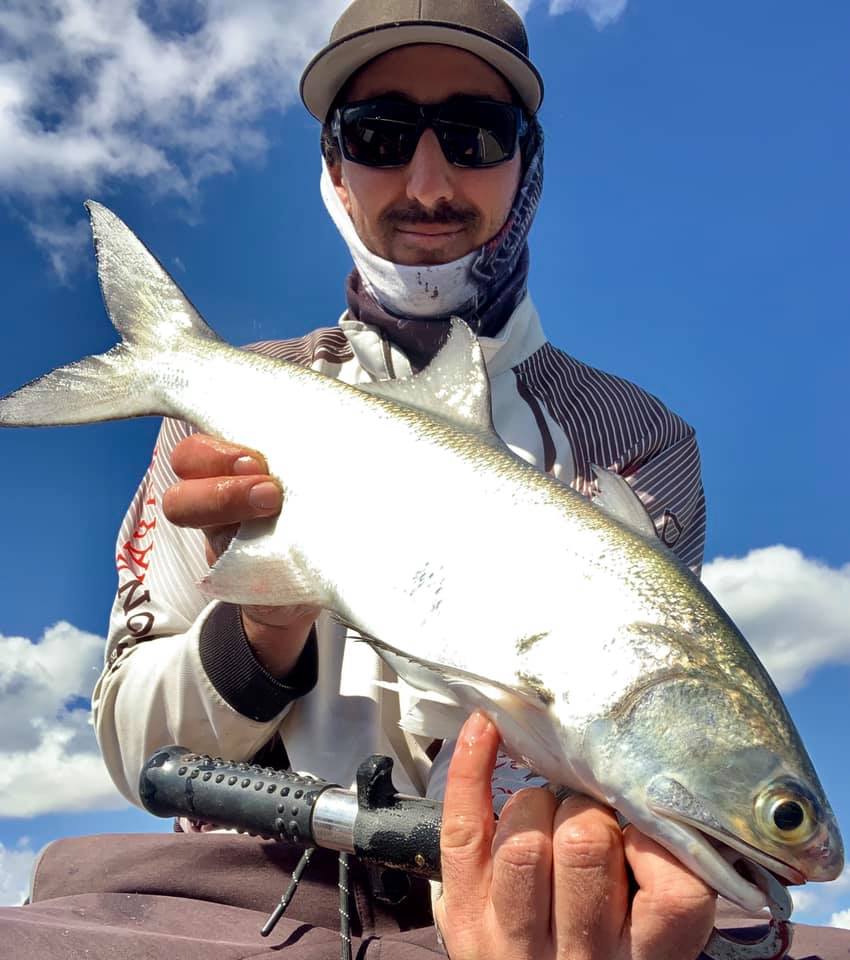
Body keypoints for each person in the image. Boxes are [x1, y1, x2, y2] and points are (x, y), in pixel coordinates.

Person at [2, 2, 846, 958]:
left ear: (528, 162)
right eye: (380, 134)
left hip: (531, 899)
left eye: (477, 134)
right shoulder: (221, 409)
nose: (430, 181)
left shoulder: (645, 439)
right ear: (333, 167)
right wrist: (263, 621)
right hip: (249, 888)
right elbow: (128, 743)